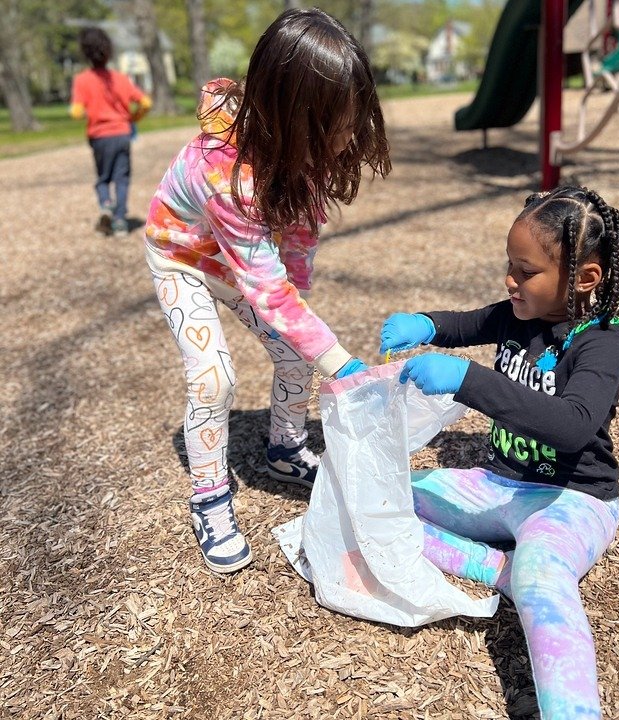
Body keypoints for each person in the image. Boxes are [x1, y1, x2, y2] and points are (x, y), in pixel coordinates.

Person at [145, 8, 390, 574]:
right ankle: (209, 494)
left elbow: (297, 249)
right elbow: (269, 288)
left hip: (236, 265)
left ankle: (283, 448)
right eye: (339, 123)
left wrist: (301, 325)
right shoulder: (227, 176)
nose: (350, 136)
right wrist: (342, 364)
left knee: (294, 353)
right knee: (213, 377)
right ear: (295, 114)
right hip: (182, 259)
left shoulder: (300, 154)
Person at [379, 186, 619, 720]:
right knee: (382, 498)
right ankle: (500, 571)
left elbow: (572, 425)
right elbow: (465, 323)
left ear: (584, 278)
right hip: (500, 484)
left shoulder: (602, 341)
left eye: (526, 271)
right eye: (509, 265)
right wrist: (425, 323)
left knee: (543, 576)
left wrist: (466, 379)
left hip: (573, 498)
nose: (510, 280)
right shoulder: (513, 314)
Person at [70, 26, 152, 237]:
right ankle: (120, 221)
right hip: (122, 133)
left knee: (103, 177)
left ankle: (106, 204)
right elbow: (145, 102)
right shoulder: (121, 78)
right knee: (122, 178)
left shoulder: (82, 80)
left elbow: (77, 112)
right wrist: (134, 117)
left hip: (99, 136)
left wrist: (83, 109)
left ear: (86, 53)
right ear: (108, 51)